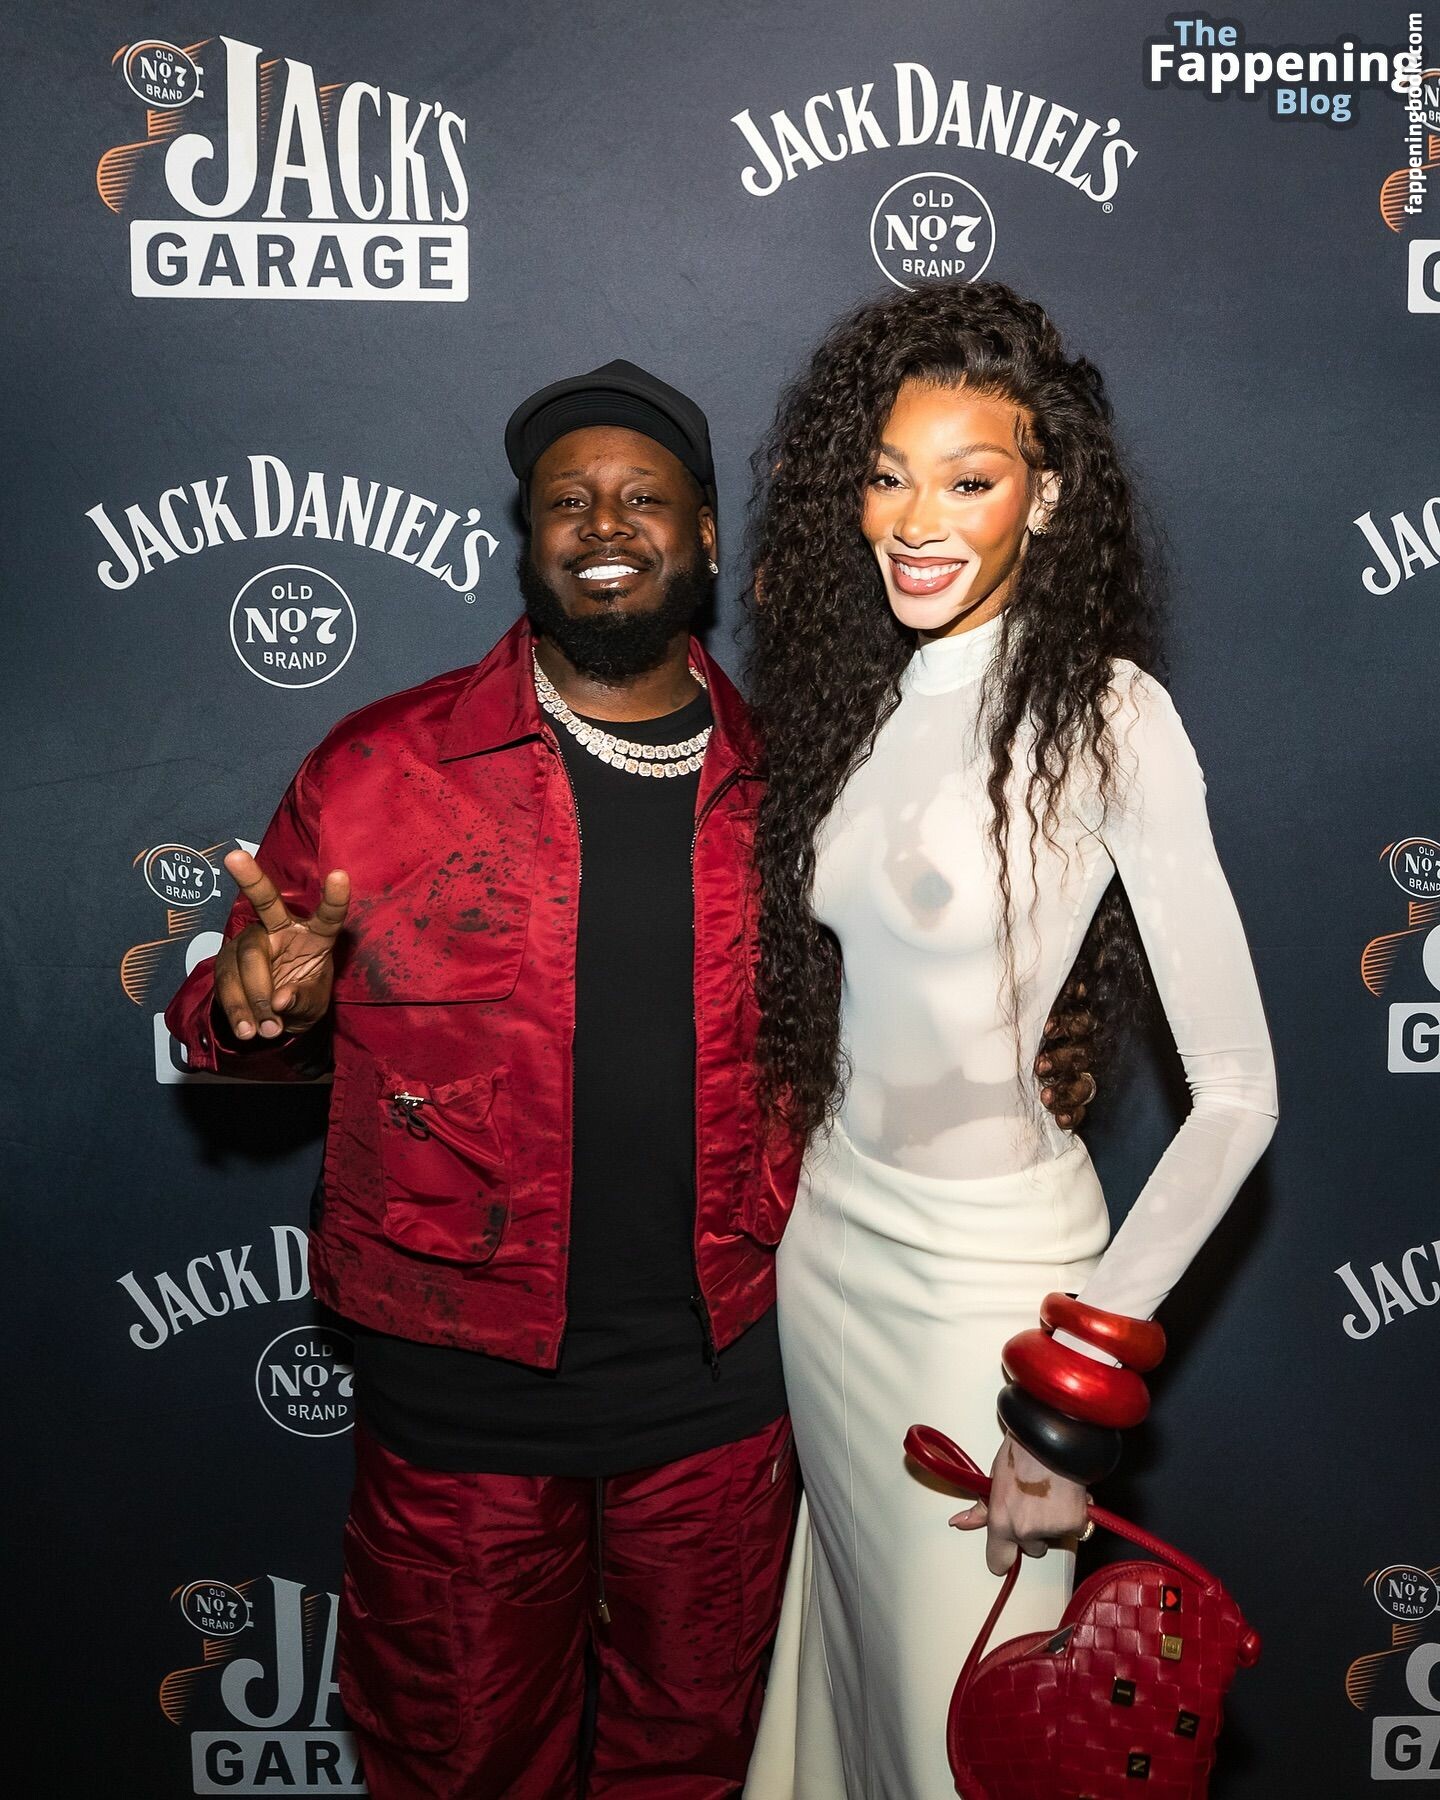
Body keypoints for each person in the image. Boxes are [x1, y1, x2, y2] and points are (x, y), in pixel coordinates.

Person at [165, 355, 1099, 1800]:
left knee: (695, 1766)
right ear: (527, 536)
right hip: (461, 1398)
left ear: (705, 536)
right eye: (567, 501)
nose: (604, 525)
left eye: (644, 498)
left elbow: (909, 1018)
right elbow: (235, 1010)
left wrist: (1023, 1049)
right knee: (459, 1766)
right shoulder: (383, 769)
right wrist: (256, 1011)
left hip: (722, 1396)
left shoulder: (809, 788)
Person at [739, 283, 1279, 1800]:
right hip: (830, 1258)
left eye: (968, 480)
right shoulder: (855, 703)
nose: (917, 521)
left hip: (986, 1298)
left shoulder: (1110, 718)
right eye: (887, 476)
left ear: (1044, 499)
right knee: (855, 1691)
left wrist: (1066, 1402)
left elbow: (1238, 1097)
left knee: (964, 1749)